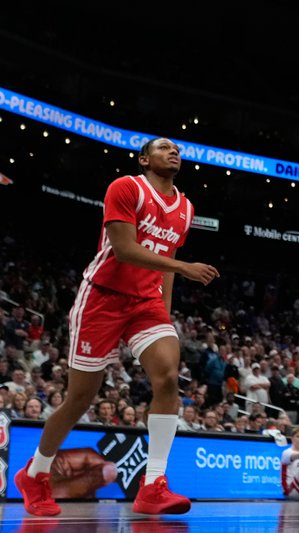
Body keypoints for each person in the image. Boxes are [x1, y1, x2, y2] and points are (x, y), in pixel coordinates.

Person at [16, 138, 218, 517]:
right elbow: (125, 250)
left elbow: (166, 260)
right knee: (79, 399)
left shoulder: (186, 208)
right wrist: (184, 268)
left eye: (176, 149)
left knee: (168, 377)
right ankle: (35, 473)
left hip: (146, 304)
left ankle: (153, 484)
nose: (173, 152)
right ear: (144, 159)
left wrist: (164, 315)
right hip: (102, 299)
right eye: (163, 148)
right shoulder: (126, 188)